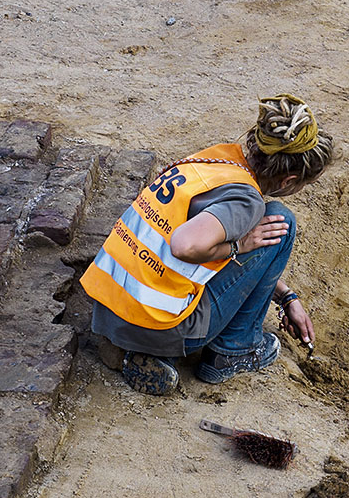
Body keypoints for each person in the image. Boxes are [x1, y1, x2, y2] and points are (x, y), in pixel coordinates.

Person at [80, 94, 333, 395]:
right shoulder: (246, 201)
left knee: (250, 236)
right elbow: (185, 245)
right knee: (281, 220)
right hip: (158, 321)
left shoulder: (215, 160)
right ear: (286, 180)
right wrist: (239, 246)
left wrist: (287, 296)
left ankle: (130, 349)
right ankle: (235, 350)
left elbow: (214, 249)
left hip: (110, 308)